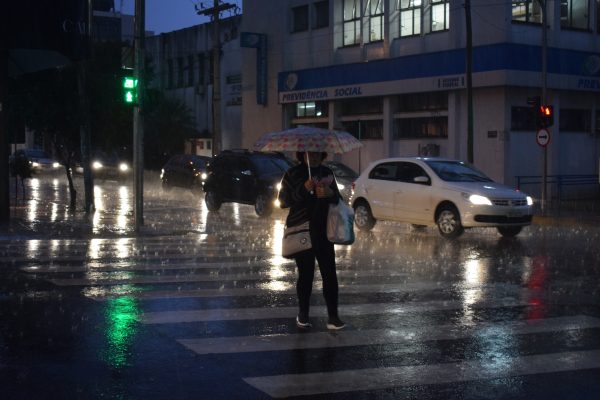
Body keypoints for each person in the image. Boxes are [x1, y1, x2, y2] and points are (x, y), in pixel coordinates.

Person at [278, 151, 346, 330]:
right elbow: (283, 201)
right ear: (302, 154)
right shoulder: (292, 174)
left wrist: (330, 193)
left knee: (329, 275)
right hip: (303, 230)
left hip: (324, 231)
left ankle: (333, 317)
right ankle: (303, 314)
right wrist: (304, 188)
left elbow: (338, 200)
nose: (313, 156)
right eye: (309, 153)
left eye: (317, 153)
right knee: (306, 276)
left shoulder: (326, 173)